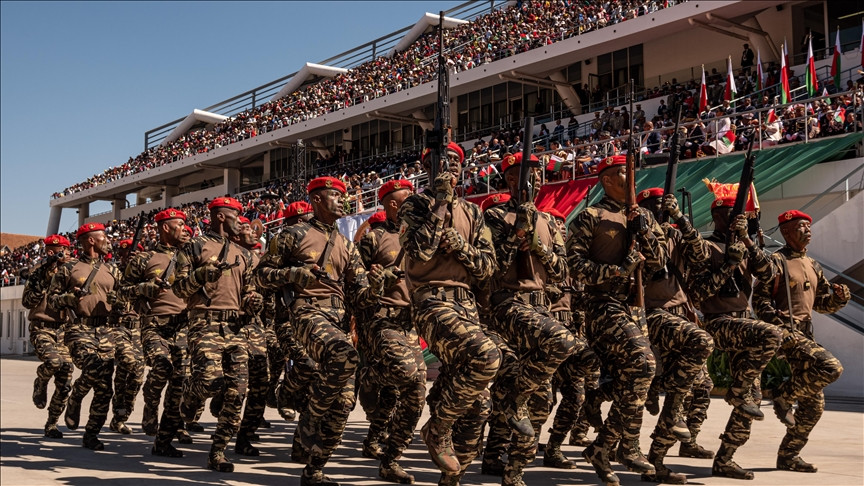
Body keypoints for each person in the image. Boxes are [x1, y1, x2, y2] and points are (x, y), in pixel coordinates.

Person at [256, 177, 383, 486]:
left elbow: (361, 293)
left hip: (338, 321)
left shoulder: (346, 245)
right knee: (343, 355)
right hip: (305, 312)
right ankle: (310, 414)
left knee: (343, 403)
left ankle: (313, 470)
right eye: (334, 196)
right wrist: (293, 273)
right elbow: (262, 276)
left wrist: (380, 284)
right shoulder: (292, 234)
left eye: (343, 197)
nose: (342, 201)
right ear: (315, 200)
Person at [398, 142, 499, 486]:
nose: (452, 166)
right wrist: (439, 207)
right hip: (431, 302)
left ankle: (452, 478)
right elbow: (418, 251)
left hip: (466, 305)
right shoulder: (416, 204)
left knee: (479, 406)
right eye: (444, 160)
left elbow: (487, 268)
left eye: (457, 161)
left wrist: (458, 244)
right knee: (486, 356)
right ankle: (437, 427)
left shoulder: (473, 213)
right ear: (428, 167)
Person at [566, 155, 666, 486]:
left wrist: (645, 233)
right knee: (643, 364)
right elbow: (575, 266)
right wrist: (617, 271)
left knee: (633, 379)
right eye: (624, 172)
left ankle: (604, 447)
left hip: (634, 308)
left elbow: (659, 262)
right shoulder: (590, 218)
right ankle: (627, 445)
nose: (631, 178)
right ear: (608, 180)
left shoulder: (643, 216)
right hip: (602, 305)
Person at [483, 152, 575, 486]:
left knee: (541, 396)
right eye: (525, 175)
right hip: (507, 306)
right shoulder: (494, 216)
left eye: (537, 175)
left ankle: (513, 468)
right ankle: (494, 453)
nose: (533, 181)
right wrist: (515, 231)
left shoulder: (549, 222)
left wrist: (537, 243)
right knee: (511, 381)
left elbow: (563, 271)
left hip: (540, 309)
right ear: (509, 180)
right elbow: (491, 266)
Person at [688, 196, 782, 480]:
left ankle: (725, 459)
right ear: (716, 216)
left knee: (750, 399)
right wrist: (728, 266)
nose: (737, 220)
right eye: (732, 215)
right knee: (771, 334)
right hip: (718, 322)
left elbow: (769, 274)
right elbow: (697, 295)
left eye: (741, 216)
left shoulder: (743, 245)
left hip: (743, 324)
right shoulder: (704, 248)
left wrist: (747, 240)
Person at [753, 210, 849, 473]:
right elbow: (759, 301)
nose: (808, 231)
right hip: (786, 333)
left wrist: (839, 299)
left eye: (809, 226)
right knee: (831, 367)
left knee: (814, 405)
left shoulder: (814, 265)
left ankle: (788, 456)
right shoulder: (776, 261)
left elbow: (821, 305)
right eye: (801, 227)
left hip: (806, 334)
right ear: (786, 232)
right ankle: (782, 394)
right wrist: (779, 324)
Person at [172, 197, 261, 472]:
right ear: (222, 217)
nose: (240, 222)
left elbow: (249, 290)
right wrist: (201, 276)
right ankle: (190, 396)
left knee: (237, 392)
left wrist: (254, 299)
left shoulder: (243, 254)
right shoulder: (194, 246)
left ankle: (218, 451)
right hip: (204, 323)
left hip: (236, 327)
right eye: (236, 216)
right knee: (209, 379)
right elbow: (179, 290)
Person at [637, 188, 715, 484]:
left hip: (681, 316)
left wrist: (680, 219)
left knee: (701, 386)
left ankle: (661, 457)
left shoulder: (674, 235)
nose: (659, 210)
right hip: (653, 314)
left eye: (663, 205)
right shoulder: (638, 234)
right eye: (653, 206)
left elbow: (701, 256)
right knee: (694, 358)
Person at [357, 178, 427, 484]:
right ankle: (369, 374)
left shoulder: (419, 237)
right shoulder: (373, 239)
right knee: (405, 371)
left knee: (412, 390)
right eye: (407, 199)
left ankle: (389, 457)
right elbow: (355, 285)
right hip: (380, 317)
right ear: (393, 205)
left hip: (410, 320)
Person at [122, 208, 192, 457]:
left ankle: (164, 440)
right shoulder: (144, 258)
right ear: (165, 227)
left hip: (184, 325)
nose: (183, 229)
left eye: (185, 226)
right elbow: (124, 291)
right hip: (154, 324)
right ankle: (151, 403)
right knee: (162, 367)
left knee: (181, 381)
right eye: (178, 225)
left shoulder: (191, 256)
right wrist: (147, 288)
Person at [48, 223, 122, 451]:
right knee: (92, 368)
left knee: (105, 388)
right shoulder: (68, 268)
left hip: (106, 331)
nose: (107, 241)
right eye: (103, 237)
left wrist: (121, 304)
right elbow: (52, 300)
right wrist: (69, 298)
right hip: (79, 329)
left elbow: (122, 298)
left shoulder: (112, 270)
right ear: (91, 240)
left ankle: (91, 434)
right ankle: (76, 396)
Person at [541, 209, 601, 470]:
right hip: (543, 335)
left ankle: (553, 447)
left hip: (571, 337)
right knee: (541, 397)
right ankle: (519, 442)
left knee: (576, 395)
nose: (561, 228)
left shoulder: (572, 262)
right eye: (555, 224)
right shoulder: (539, 258)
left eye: (563, 224)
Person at [22, 234, 74, 439]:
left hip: (64, 330)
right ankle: (41, 380)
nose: (62, 254)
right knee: (53, 362)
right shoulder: (37, 273)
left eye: (64, 250)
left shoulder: (73, 271)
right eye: (55, 251)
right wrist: (43, 279)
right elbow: (28, 302)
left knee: (65, 378)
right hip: (41, 327)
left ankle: (52, 423)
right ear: (48, 253)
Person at [233, 216, 271, 457]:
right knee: (235, 386)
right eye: (247, 229)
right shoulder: (228, 257)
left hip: (256, 326)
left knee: (260, 383)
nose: (253, 232)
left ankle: (244, 436)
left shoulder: (258, 260)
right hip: (229, 326)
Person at [109, 238, 147, 436]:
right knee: (128, 361)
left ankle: (121, 416)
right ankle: (118, 413)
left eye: (131, 254)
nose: (126, 258)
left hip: (139, 329)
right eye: (123, 255)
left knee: (135, 376)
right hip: (119, 326)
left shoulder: (144, 273)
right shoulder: (113, 273)